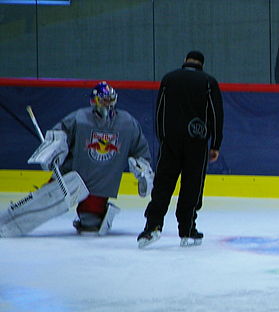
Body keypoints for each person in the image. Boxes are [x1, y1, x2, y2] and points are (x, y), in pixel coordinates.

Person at [1, 81, 153, 237]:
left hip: (100, 184)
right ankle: (8, 221)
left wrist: (143, 171)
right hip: (72, 176)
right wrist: (52, 151)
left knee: (90, 225)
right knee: (43, 202)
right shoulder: (80, 118)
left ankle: (98, 213)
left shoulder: (127, 123)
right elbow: (58, 136)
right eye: (103, 100)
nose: (107, 104)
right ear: (94, 101)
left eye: (110, 99)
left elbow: (140, 151)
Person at [138, 51, 224, 249]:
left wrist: (163, 138)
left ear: (185, 61)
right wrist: (215, 144)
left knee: (163, 185)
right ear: (201, 64)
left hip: (170, 142)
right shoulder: (209, 82)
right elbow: (216, 114)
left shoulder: (169, 79)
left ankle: (152, 226)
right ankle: (187, 229)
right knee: (192, 186)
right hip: (197, 142)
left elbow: (159, 111)